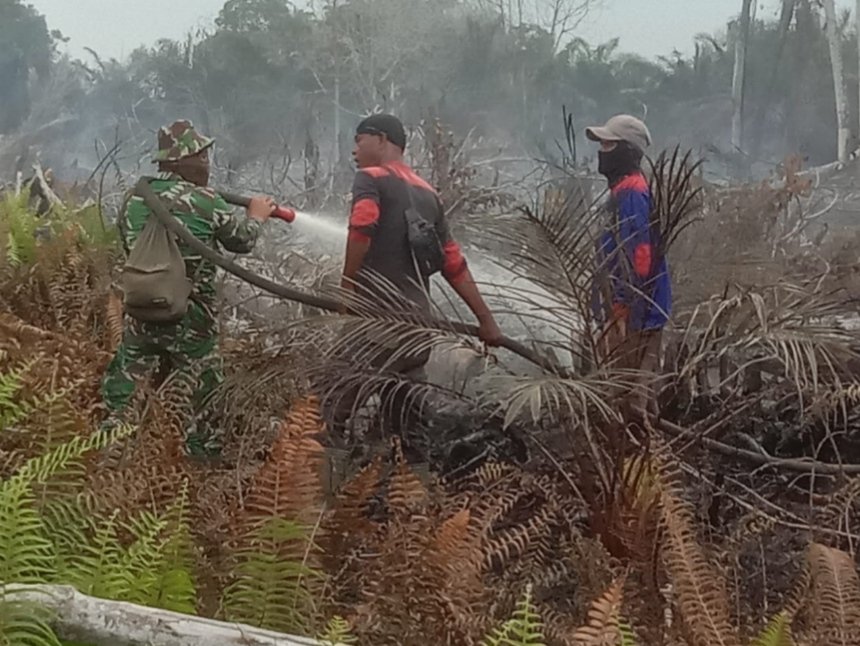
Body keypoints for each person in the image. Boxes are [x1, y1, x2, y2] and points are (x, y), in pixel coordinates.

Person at [101, 119, 276, 456]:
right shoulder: (208, 202)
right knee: (203, 390)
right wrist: (256, 216)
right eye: (203, 157)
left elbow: (128, 244)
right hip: (192, 316)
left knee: (125, 382)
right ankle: (200, 465)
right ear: (184, 162)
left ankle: (112, 453)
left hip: (141, 309)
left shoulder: (135, 198)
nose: (208, 165)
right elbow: (241, 242)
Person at [331, 112, 502, 433]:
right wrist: (485, 320)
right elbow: (452, 263)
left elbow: (362, 227)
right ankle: (415, 478)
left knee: (323, 414)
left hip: (376, 328)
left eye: (359, 140)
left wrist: (347, 289)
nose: (354, 150)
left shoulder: (370, 178)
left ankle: (324, 477)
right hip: (417, 334)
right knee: (405, 431)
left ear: (381, 140)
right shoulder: (429, 194)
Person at [586, 114, 671, 418]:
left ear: (627, 151)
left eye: (609, 144)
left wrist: (623, 305)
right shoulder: (622, 192)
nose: (602, 151)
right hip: (628, 309)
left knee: (629, 395)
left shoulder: (633, 194)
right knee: (634, 390)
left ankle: (639, 456)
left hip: (637, 313)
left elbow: (639, 255)